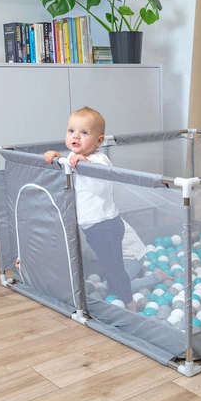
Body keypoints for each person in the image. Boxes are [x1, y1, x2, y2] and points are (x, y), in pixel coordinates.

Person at [43, 106, 145, 310]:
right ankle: (133, 284)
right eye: (71, 131)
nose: (76, 136)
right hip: (90, 226)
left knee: (113, 269)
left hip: (105, 226)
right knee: (108, 266)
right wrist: (56, 157)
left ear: (99, 141)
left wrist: (86, 164)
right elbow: (66, 171)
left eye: (84, 132)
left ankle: (129, 302)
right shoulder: (72, 157)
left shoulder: (99, 161)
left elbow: (101, 187)